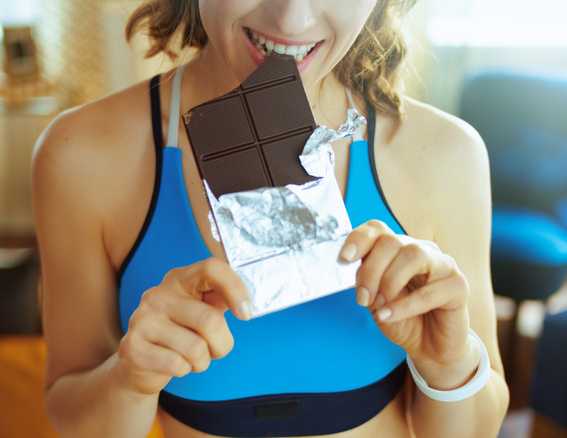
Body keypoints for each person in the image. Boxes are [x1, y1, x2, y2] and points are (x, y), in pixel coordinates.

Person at [31, 0, 510, 437]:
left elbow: (477, 431)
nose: (291, 20)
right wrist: (128, 377)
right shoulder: (81, 157)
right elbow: (71, 414)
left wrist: (450, 364)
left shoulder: (446, 156)